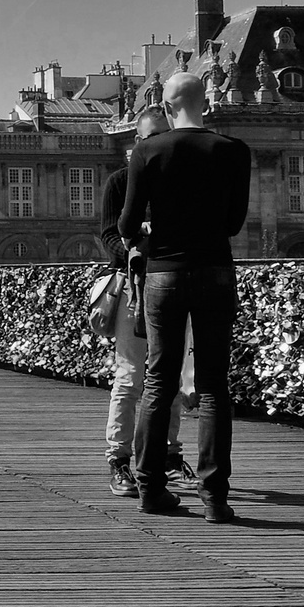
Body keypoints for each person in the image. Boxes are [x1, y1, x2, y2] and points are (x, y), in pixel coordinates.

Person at [120, 72, 251, 524]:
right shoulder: (233, 151)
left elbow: (125, 225)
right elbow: (234, 223)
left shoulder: (147, 150)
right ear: (205, 102)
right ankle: (214, 497)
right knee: (214, 386)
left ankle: (150, 489)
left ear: (166, 103)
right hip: (215, 270)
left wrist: (156, 232)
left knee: (159, 381)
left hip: (164, 275)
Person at [98, 107, 191, 499]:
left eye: (162, 138)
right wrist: (133, 250)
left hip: (171, 282)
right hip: (133, 287)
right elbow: (108, 235)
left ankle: (167, 453)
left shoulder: (177, 181)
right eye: (150, 139)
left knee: (168, 376)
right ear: (136, 143)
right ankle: (119, 459)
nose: (156, 146)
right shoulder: (119, 182)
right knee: (132, 376)